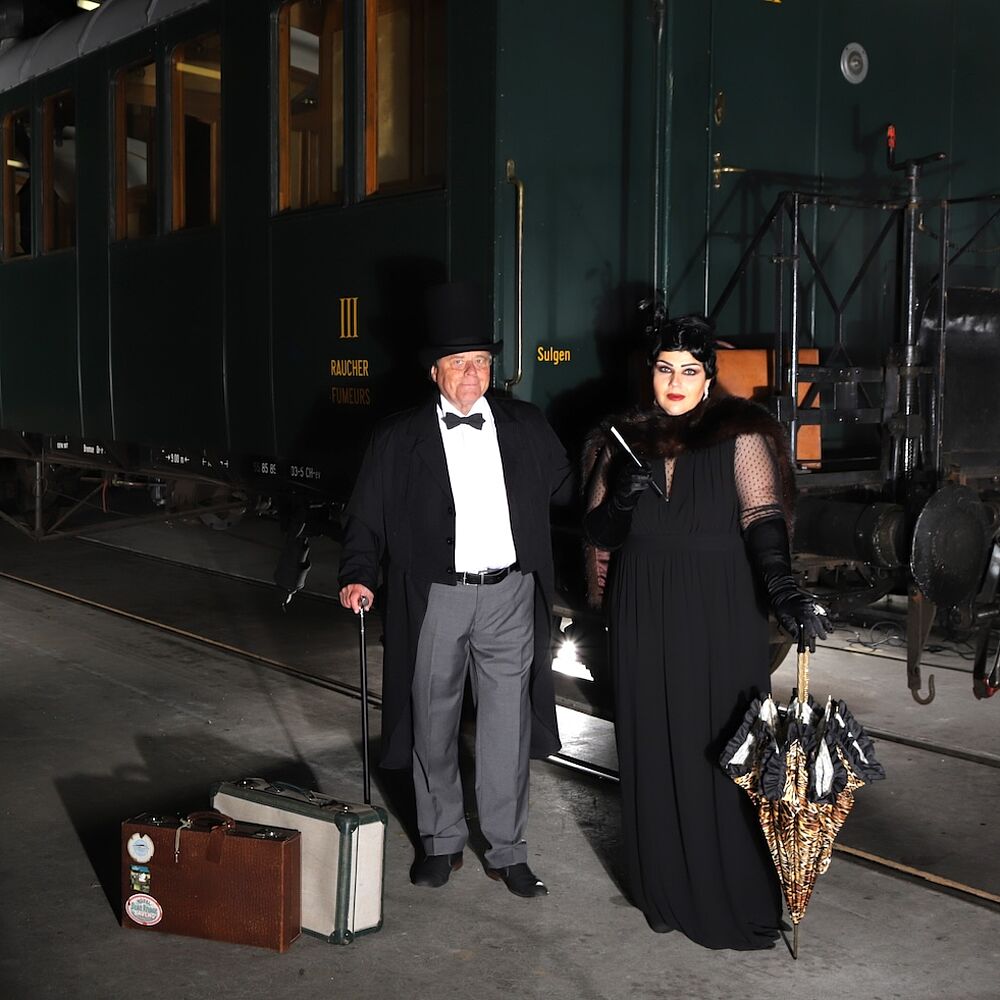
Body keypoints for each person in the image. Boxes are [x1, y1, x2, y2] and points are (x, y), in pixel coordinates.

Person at [582, 311, 829, 949]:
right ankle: (664, 889)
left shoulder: (740, 434)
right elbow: (598, 533)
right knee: (652, 738)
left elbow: (762, 517)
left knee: (726, 744)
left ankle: (732, 890)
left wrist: (782, 587)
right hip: (644, 610)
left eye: (689, 371)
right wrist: (622, 497)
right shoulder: (622, 439)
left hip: (721, 609)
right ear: (650, 372)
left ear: (709, 377)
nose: (675, 382)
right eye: (665, 369)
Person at [338, 281, 572, 898]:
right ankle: (440, 841)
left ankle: (508, 850)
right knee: (431, 721)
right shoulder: (397, 437)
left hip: (509, 595)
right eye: (458, 362)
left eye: (481, 362)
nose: (471, 374)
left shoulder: (526, 424)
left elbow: (566, 491)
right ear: (434, 371)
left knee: (506, 727)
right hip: (435, 598)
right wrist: (358, 572)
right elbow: (365, 515)